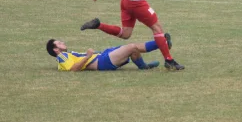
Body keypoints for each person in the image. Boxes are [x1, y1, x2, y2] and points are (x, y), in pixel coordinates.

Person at [45, 37, 173, 71]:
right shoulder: (61, 57)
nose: (63, 43)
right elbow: (73, 69)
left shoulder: (66, 55)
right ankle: (162, 44)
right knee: (132, 47)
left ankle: (162, 44)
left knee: (133, 47)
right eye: (59, 43)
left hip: (103, 56)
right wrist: (88, 56)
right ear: (56, 50)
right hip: (102, 62)